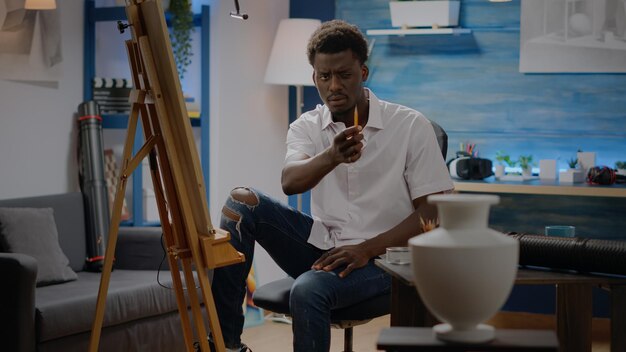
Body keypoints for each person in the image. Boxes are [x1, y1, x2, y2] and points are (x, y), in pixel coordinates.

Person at [210, 19, 454, 352]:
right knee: (242, 204)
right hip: (325, 248)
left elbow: (434, 211)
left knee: (308, 289)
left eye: (344, 74)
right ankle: (226, 346)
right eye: (325, 77)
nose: (334, 86)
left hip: (385, 259)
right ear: (314, 78)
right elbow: (290, 183)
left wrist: (366, 249)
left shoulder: (411, 126)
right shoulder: (306, 126)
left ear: (363, 73)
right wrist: (332, 156)